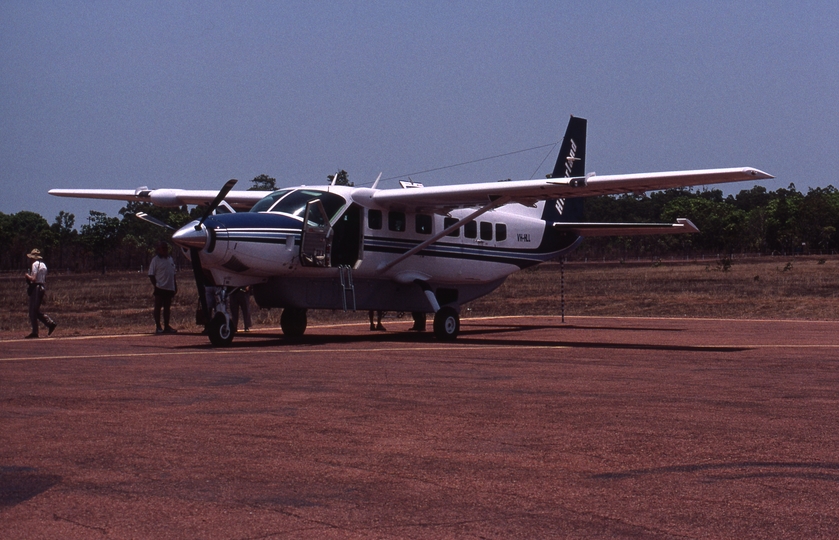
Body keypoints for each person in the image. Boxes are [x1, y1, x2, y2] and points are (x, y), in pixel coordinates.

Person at [24, 249, 57, 338]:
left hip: (36, 288)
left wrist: (27, 276)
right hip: (42, 287)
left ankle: (36, 331)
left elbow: (34, 279)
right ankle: (49, 323)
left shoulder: (34, 265)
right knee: (35, 310)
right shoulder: (43, 265)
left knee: (32, 311)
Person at [148, 241, 177, 334]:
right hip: (160, 287)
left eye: (166, 248)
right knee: (158, 307)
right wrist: (156, 285)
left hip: (169, 287)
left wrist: (175, 285)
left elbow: (173, 273)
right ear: (159, 249)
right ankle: (158, 326)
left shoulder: (170, 259)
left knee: (167, 308)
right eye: (163, 248)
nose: (165, 250)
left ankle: (167, 326)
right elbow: (151, 274)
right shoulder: (155, 260)